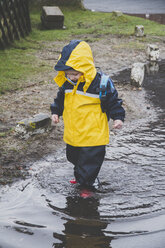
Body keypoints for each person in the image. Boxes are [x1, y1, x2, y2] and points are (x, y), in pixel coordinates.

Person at [50, 39, 125, 191]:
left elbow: (113, 101)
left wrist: (118, 117)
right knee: (73, 157)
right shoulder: (67, 83)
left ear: (85, 67)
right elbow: (60, 100)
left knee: (90, 161)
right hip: (74, 131)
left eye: (75, 74)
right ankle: (82, 177)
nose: (72, 77)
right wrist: (56, 112)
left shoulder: (100, 84)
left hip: (93, 133)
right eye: (68, 74)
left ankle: (87, 186)